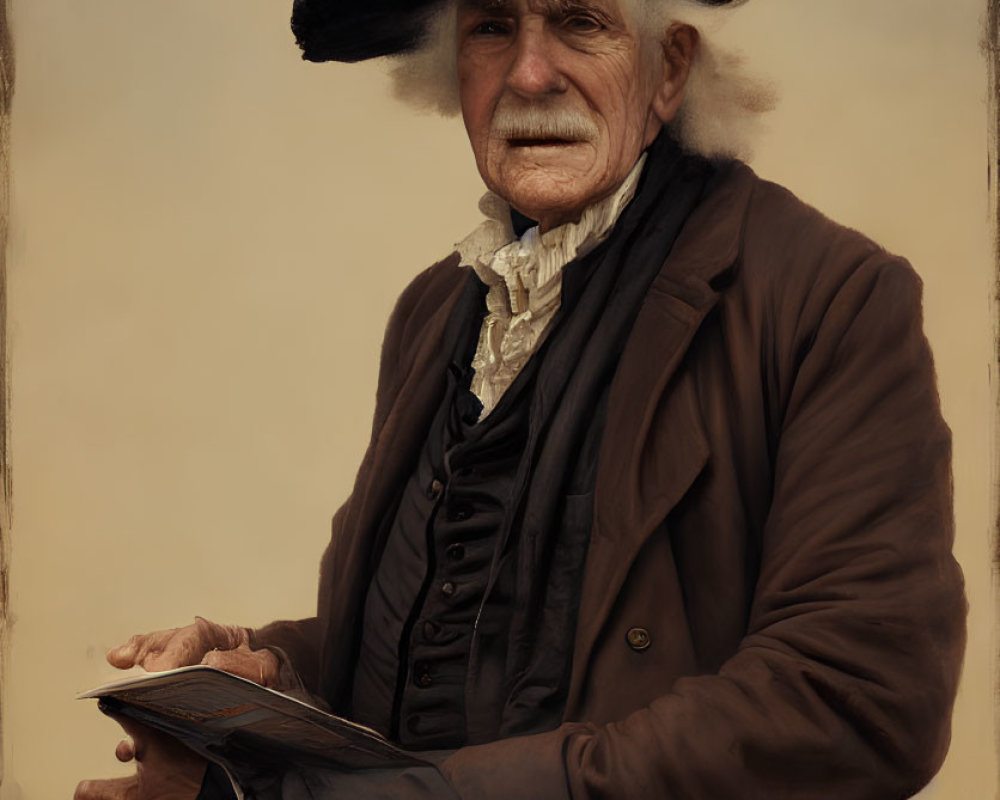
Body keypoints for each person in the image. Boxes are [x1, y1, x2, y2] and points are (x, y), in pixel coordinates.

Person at [75, 0, 967, 798]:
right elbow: (465, 638)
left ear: (670, 68)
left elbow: (855, 698)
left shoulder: (830, 297)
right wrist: (268, 679)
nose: (530, 73)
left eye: (581, 20)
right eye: (493, 26)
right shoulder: (436, 310)